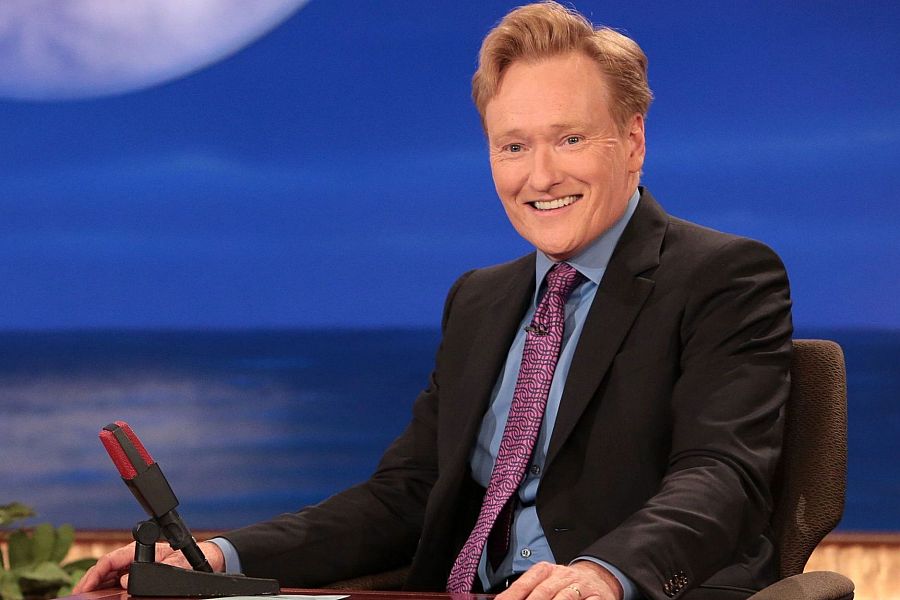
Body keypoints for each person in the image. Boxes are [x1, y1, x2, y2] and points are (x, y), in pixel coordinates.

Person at [75, 2, 792, 599]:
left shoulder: (725, 277)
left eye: (570, 139)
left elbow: (721, 477)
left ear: (632, 141)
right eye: (513, 147)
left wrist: (602, 576)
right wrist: (218, 558)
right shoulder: (479, 301)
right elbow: (407, 497)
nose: (540, 176)